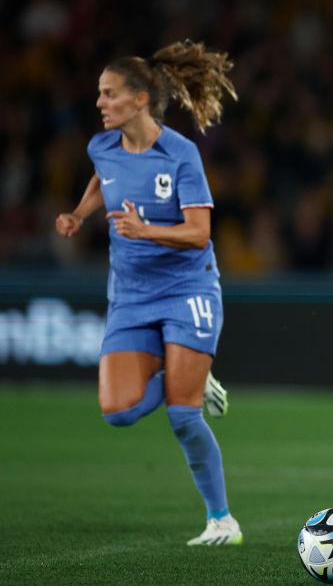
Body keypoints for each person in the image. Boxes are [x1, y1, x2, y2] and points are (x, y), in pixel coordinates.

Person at [55, 40, 241, 546]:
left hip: (187, 287)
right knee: (118, 411)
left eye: (109, 93)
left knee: (183, 416)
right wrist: (80, 213)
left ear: (139, 100)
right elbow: (102, 180)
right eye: (99, 93)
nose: (100, 102)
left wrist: (147, 232)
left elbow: (199, 232)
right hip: (131, 295)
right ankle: (191, 377)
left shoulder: (180, 153)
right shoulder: (102, 145)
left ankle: (221, 519)